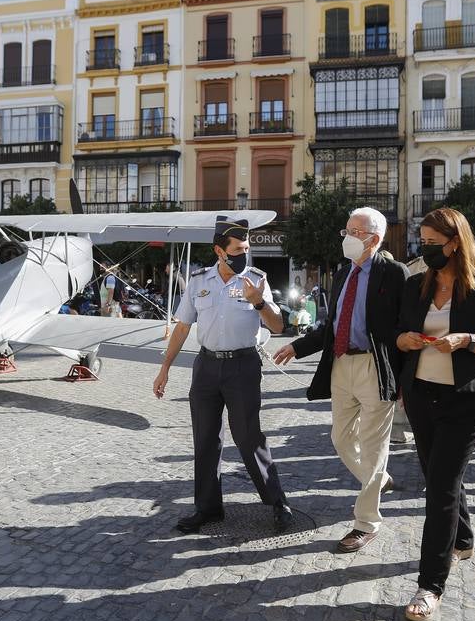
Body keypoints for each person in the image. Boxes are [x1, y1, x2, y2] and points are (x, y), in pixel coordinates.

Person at [395, 207, 475, 621]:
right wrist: (405, 339)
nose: (425, 250)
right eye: (421, 242)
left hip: (465, 402)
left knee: (441, 487)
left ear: (455, 242)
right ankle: (462, 537)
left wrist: (466, 339)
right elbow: (398, 333)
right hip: (421, 396)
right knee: (440, 477)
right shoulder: (416, 286)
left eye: (432, 243)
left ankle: (430, 584)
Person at [273, 208, 409, 553]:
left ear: (374, 239)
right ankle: (377, 479)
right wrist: (297, 345)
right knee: (340, 439)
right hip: (341, 365)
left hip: (375, 367)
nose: (347, 237)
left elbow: (405, 328)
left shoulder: (394, 273)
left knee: (374, 445)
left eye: (355, 231)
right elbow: (331, 325)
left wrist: (404, 380)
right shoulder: (343, 273)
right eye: (346, 230)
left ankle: (366, 522)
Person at [153, 217, 294, 534]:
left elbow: (277, 326)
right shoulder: (199, 281)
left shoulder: (256, 280)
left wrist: (258, 302)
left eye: (246, 248)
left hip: (242, 367)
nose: (244, 255)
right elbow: (183, 327)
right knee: (204, 440)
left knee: (249, 438)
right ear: (220, 251)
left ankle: (277, 504)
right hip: (206, 367)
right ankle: (208, 509)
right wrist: (164, 368)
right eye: (238, 249)